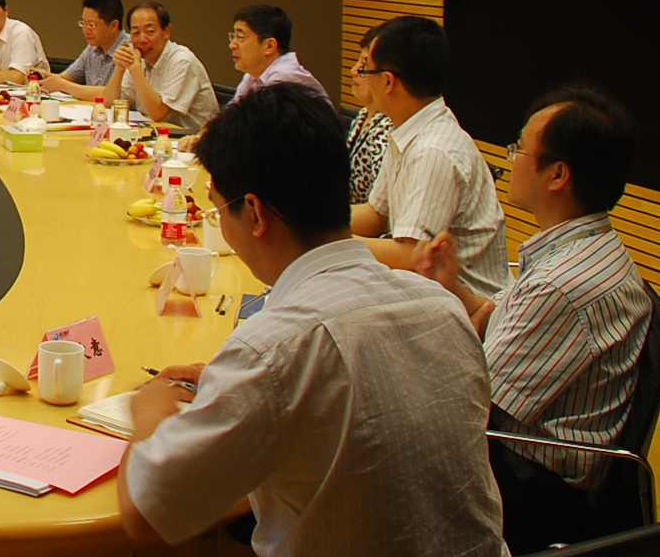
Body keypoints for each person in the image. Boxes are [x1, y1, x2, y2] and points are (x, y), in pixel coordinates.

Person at [118, 84, 503, 556]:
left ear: (254, 213)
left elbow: (146, 512)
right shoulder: (441, 308)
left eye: (219, 210)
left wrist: (151, 409)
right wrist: (234, 384)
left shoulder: (273, 350)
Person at [414, 85, 653, 553]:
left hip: (534, 487)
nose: (509, 160)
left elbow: (469, 399)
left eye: (518, 148)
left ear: (557, 174)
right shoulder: (578, 247)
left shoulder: (562, 284)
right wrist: (452, 286)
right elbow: (497, 323)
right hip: (524, 454)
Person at [349, 16, 508, 299]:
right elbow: (375, 215)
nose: (359, 74)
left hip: (469, 309)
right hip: (430, 295)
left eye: (366, 69)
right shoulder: (408, 128)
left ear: (388, 81)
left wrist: (325, 241)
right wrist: (310, 221)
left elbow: (411, 255)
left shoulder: (432, 151)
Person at [107, 1, 217, 132]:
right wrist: (120, 67)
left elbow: (158, 113)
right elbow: (110, 103)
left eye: (150, 31)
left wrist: (135, 70)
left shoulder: (182, 60)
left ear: (166, 31)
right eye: (136, 33)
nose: (142, 40)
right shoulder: (140, 59)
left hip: (192, 138)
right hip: (158, 134)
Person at [34, 0, 129, 101]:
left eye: (91, 25)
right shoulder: (92, 48)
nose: (86, 30)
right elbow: (65, 78)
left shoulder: (129, 50)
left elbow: (114, 95)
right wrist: (43, 76)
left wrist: (63, 85)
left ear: (114, 25)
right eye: (83, 23)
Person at [227, 4, 329, 103]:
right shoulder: (252, 76)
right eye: (234, 36)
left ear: (269, 46)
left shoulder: (284, 79)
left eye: (240, 37)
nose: (232, 45)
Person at [342, 24, 395, 203]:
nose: (354, 70)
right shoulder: (363, 115)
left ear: (387, 78)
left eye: (365, 65)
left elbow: (381, 212)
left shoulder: (388, 131)